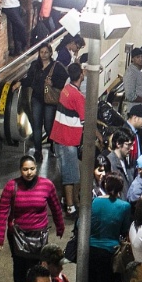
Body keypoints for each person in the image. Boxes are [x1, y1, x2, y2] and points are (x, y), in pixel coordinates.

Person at [0, 155, 65, 282]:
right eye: (25, 169)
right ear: (20, 170)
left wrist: (60, 225)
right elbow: (2, 211)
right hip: (17, 235)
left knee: (37, 267)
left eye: (32, 169)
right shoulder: (11, 186)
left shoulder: (46, 185)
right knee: (20, 267)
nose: (29, 172)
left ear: (36, 168)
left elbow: (55, 207)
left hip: (39, 235)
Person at [14, 44, 68, 162]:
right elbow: (29, 79)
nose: (43, 55)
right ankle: (38, 151)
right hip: (37, 98)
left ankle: (53, 145)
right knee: (36, 125)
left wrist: (53, 83)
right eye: (41, 52)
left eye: (46, 52)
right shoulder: (35, 66)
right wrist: (20, 83)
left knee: (49, 126)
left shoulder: (56, 67)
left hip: (50, 101)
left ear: (50, 53)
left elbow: (64, 81)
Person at [49, 62, 86, 214]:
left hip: (58, 136)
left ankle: (66, 199)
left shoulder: (66, 89)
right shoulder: (78, 96)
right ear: (81, 75)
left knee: (66, 171)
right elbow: (85, 121)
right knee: (72, 175)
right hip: (68, 140)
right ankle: (70, 206)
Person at [89, 174, 132, 282]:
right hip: (110, 252)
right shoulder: (124, 206)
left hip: (90, 250)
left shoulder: (94, 201)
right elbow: (124, 230)